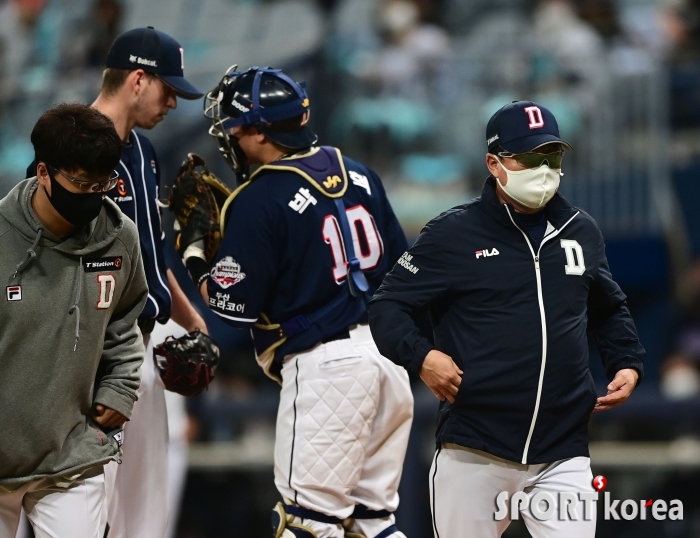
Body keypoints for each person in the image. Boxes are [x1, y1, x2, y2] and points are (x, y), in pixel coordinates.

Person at [368, 101, 646, 538]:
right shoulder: (453, 233)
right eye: (530, 158)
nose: (544, 168)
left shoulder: (580, 229)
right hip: (476, 447)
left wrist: (626, 361)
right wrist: (421, 357)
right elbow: (387, 306)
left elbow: (608, 307)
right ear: (494, 164)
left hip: (562, 450)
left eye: (552, 157)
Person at [181, 66, 414, 538]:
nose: (230, 138)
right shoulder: (362, 175)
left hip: (328, 367)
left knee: (306, 524)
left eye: (235, 127)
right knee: (372, 522)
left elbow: (230, 306)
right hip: (388, 360)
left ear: (260, 131)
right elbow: (404, 273)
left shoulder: (259, 197)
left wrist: (194, 256)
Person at [25, 26, 206, 538]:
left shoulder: (144, 153)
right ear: (138, 79)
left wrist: (191, 321)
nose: (174, 101)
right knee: (86, 509)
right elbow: (44, 257)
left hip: (141, 346)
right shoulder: (69, 147)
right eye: (168, 88)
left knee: (145, 513)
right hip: (93, 355)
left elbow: (151, 254)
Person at [0, 103, 148, 538]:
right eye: (81, 183)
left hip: (73, 454)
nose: (92, 195)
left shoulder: (121, 238)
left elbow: (125, 325)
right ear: (43, 173)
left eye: (103, 185)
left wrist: (120, 390)